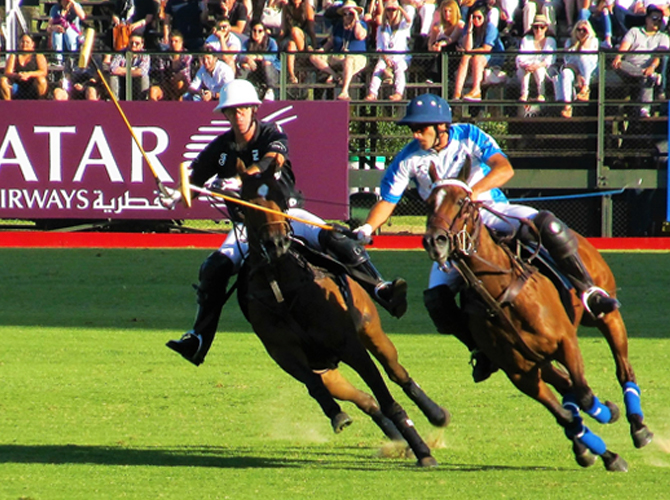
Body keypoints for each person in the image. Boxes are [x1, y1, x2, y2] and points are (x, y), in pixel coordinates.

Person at [353, 93, 620, 382]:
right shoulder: (408, 158)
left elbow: (504, 168)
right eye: (413, 129)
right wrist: (367, 229)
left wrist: (471, 193)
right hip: (453, 235)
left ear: (441, 126)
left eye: (421, 128)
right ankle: (481, 349)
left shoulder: (468, 135)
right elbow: (388, 200)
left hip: (490, 210)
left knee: (548, 226)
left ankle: (589, 291)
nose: (416, 135)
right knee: (437, 302)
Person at [160, 79, 408, 366]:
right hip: (247, 228)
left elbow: (272, 161)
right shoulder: (221, 148)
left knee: (339, 240)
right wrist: (175, 195)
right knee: (213, 269)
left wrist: (240, 179)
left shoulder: (271, 132)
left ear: (253, 109)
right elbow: (192, 181)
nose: (237, 115)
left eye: (242, 109)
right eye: (231, 111)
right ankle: (198, 339)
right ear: (225, 115)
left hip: (287, 216)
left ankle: (381, 289)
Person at [612, 4, 669, 117]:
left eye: (659, 19)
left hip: (648, 69)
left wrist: (652, 67)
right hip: (629, 66)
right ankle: (650, 76)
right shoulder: (634, 31)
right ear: (647, 19)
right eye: (654, 18)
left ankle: (644, 109)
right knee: (620, 64)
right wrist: (618, 57)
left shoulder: (663, 37)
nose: (657, 21)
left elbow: (658, 56)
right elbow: (625, 46)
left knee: (646, 76)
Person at [309, 0, 369, 101]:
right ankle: (334, 75)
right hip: (338, 56)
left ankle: (344, 91)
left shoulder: (362, 24)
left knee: (348, 60)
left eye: (351, 13)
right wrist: (322, 50)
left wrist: (356, 19)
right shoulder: (339, 26)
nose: (348, 16)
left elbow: (359, 36)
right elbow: (331, 42)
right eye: (345, 14)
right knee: (314, 57)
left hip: (356, 57)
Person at [452, 1, 505, 101]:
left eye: (479, 17)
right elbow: (467, 48)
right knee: (465, 57)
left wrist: (469, 51)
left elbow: (486, 48)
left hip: (493, 56)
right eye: (474, 17)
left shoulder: (490, 27)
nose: (476, 20)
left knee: (477, 57)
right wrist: (469, 31)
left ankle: (476, 90)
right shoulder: (468, 27)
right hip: (476, 54)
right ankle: (457, 93)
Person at [365, 0, 412, 101]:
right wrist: (385, 58)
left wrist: (399, 8)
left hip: (400, 56)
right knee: (378, 68)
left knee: (399, 68)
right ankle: (372, 94)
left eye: (393, 10)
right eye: (388, 10)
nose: (391, 12)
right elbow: (379, 46)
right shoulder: (381, 28)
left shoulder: (403, 25)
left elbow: (409, 20)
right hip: (386, 56)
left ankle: (398, 93)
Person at [552, 19, 599, 118]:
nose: (581, 32)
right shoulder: (569, 42)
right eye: (579, 29)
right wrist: (577, 74)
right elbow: (567, 61)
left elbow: (589, 57)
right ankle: (567, 106)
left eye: (584, 30)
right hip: (574, 69)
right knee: (565, 73)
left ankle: (586, 88)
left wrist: (584, 39)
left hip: (590, 69)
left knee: (582, 56)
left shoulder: (593, 41)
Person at [515, 14, 556, 102]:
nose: (538, 30)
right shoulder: (526, 39)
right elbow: (521, 56)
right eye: (536, 27)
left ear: (546, 28)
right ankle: (524, 94)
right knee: (524, 70)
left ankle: (541, 94)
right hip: (527, 66)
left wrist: (537, 65)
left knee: (539, 70)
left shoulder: (550, 41)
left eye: (542, 27)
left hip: (545, 69)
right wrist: (526, 65)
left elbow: (550, 59)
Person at [238, 20, 280, 100]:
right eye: (254, 30)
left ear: (264, 32)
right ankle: (239, 88)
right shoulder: (247, 42)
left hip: (271, 69)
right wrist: (247, 59)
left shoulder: (271, 42)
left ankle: (270, 90)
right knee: (245, 65)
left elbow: (273, 56)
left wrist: (259, 57)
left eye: (260, 31)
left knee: (267, 62)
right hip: (253, 68)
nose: (257, 33)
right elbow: (241, 55)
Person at [426, 0, 465, 84]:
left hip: (453, 53)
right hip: (438, 53)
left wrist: (441, 44)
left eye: (450, 11)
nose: (447, 14)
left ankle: (438, 75)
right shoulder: (438, 26)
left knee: (446, 46)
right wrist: (433, 47)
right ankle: (434, 75)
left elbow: (453, 39)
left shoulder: (459, 25)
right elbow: (430, 42)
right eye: (445, 11)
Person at [279, 0, 318, 84]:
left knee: (295, 31)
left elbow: (311, 30)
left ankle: (302, 57)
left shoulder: (307, 7)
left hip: (304, 37)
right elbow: (283, 29)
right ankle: (292, 75)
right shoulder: (286, 8)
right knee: (291, 45)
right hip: (289, 37)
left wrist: (314, 45)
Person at [0, 34, 48, 100]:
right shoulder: (14, 55)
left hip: (32, 86)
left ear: (32, 44)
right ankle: (9, 106)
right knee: (3, 80)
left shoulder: (38, 55)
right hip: (17, 85)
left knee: (42, 80)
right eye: (22, 42)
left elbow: (43, 71)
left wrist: (29, 74)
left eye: (27, 42)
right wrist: (17, 75)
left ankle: (41, 105)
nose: (24, 44)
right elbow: (7, 72)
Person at [149, 30, 193, 101]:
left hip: (183, 87)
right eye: (171, 41)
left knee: (179, 82)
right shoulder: (164, 55)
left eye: (176, 41)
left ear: (181, 43)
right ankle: (154, 111)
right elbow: (161, 74)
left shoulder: (187, 56)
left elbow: (184, 74)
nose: (173, 44)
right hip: (167, 86)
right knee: (153, 90)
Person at [109, 32, 151, 100]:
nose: (133, 45)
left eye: (137, 43)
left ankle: (143, 102)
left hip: (137, 80)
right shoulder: (121, 52)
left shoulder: (145, 54)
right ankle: (114, 100)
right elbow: (113, 69)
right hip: (122, 80)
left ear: (142, 45)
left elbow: (142, 71)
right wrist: (134, 69)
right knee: (113, 76)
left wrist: (122, 70)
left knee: (145, 77)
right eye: (131, 43)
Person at [47, 0, 86, 66]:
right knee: (56, 32)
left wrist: (73, 3)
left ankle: (72, 58)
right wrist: (54, 27)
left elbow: (82, 17)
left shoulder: (76, 6)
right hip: (60, 39)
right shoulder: (55, 9)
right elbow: (48, 28)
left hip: (73, 37)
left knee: (68, 30)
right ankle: (58, 60)